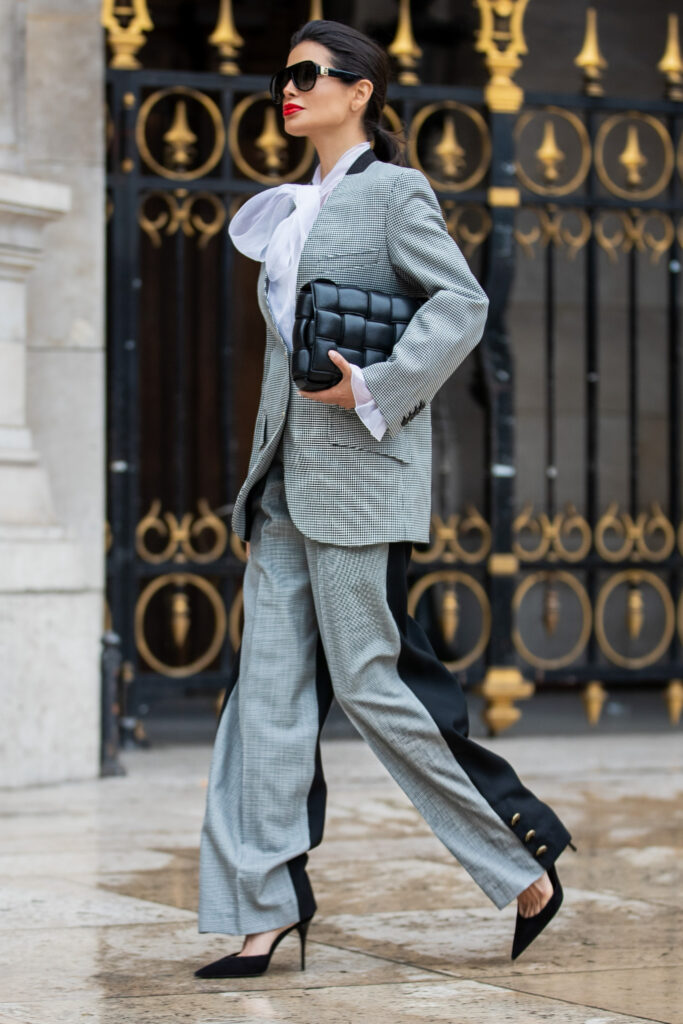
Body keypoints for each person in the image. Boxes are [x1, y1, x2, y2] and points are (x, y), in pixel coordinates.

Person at [195, 18, 574, 979]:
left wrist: (373, 387)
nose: (289, 89)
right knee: (265, 698)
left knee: (369, 684)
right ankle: (262, 911)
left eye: (309, 75)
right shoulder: (292, 205)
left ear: (360, 90)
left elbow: (459, 305)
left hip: (361, 474)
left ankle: (519, 860)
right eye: (283, 76)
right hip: (281, 481)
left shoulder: (394, 191)